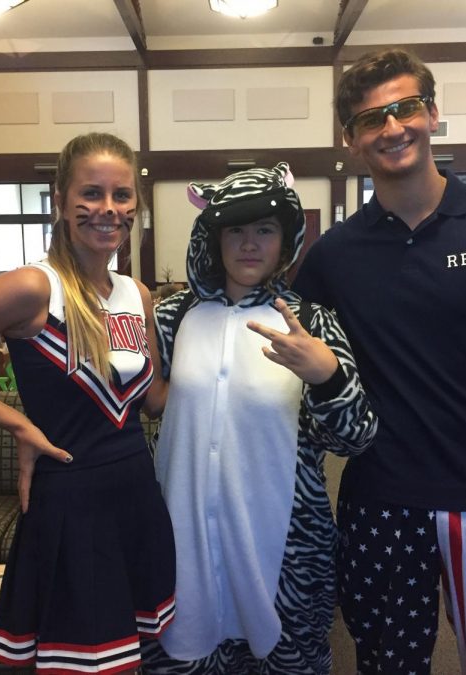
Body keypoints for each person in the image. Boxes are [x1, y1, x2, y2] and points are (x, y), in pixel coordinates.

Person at [291, 49, 466, 674]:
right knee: (387, 667)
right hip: (381, 502)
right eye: (373, 119)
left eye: (405, 108)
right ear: (351, 139)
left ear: (432, 113)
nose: (392, 128)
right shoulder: (334, 255)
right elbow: (276, 331)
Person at [0, 132, 175, 674]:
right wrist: (16, 422)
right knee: (85, 662)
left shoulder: (137, 294)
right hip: (70, 502)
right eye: (91, 193)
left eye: (121, 195)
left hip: (136, 494)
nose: (107, 210)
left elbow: (155, 399)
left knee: (139, 657)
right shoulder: (30, 288)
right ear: (61, 201)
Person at [142, 162, 378, 674]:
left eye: (265, 230)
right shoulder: (172, 317)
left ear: (287, 240)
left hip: (287, 546)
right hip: (184, 541)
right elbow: (134, 404)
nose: (250, 244)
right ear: (215, 237)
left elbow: (356, 436)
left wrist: (326, 376)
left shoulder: (313, 322)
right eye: (236, 231)